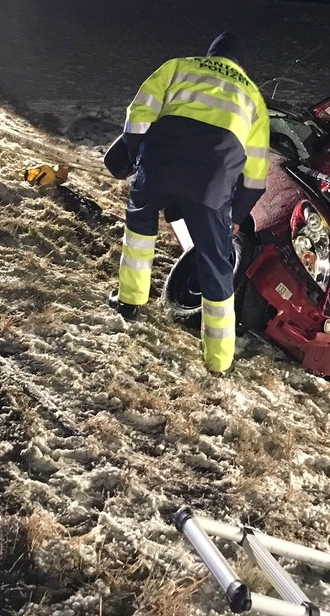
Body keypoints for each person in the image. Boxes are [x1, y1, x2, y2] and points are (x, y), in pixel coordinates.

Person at [108, 32, 270, 374]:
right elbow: (256, 177)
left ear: (211, 53)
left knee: (140, 233)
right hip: (211, 188)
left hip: (160, 166)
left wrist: (140, 159)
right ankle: (219, 360)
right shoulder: (253, 96)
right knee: (216, 264)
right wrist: (236, 216)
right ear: (241, 63)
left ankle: (130, 303)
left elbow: (137, 117)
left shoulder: (178, 67)